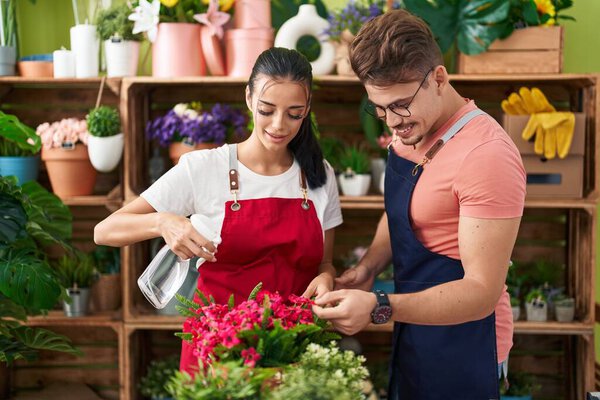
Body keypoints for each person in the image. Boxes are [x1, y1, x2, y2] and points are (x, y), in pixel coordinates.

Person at [313, 10, 526, 399]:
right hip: (415, 324)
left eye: (399, 105)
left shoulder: (486, 155)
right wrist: (368, 268)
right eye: (378, 108)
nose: (391, 122)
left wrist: (380, 305)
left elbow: (481, 292)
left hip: (467, 344)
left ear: (439, 79)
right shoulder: (412, 128)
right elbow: (404, 214)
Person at [94, 47, 343, 374]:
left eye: (294, 113)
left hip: (292, 348)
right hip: (215, 353)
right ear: (249, 97)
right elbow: (105, 231)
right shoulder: (205, 168)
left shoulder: (319, 175)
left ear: (307, 108)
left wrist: (326, 278)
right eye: (267, 110)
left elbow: (325, 263)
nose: (279, 125)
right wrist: (163, 221)